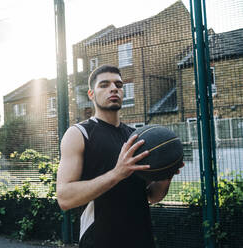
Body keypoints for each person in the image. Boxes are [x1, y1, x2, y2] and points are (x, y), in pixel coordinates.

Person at [56, 64, 182, 247]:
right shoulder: (79, 134)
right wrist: (117, 173)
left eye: (119, 85)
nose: (114, 88)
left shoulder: (137, 137)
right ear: (91, 94)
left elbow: (151, 196)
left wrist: (165, 177)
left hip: (142, 240)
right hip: (100, 240)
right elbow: (65, 198)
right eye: (104, 85)